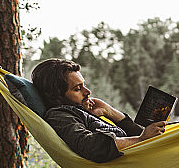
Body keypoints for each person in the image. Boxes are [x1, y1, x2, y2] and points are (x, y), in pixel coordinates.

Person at [31, 59, 165, 162]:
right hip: (135, 165)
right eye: (77, 89)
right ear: (57, 95)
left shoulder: (80, 111)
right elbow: (90, 146)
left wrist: (109, 111)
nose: (88, 91)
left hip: (146, 157)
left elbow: (140, 134)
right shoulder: (58, 116)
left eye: (84, 85)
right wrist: (140, 140)